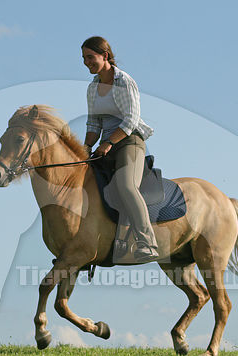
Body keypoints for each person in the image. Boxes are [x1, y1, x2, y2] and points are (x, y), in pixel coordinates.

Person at [81, 36, 159, 262]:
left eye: (90, 57)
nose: (86, 62)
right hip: (106, 146)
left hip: (129, 141)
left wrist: (108, 143)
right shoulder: (92, 88)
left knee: (125, 186)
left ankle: (148, 243)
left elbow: (131, 120)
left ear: (105, 56)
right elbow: (93, 124)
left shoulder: (124, 81)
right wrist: (86, 147)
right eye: (84, 58)